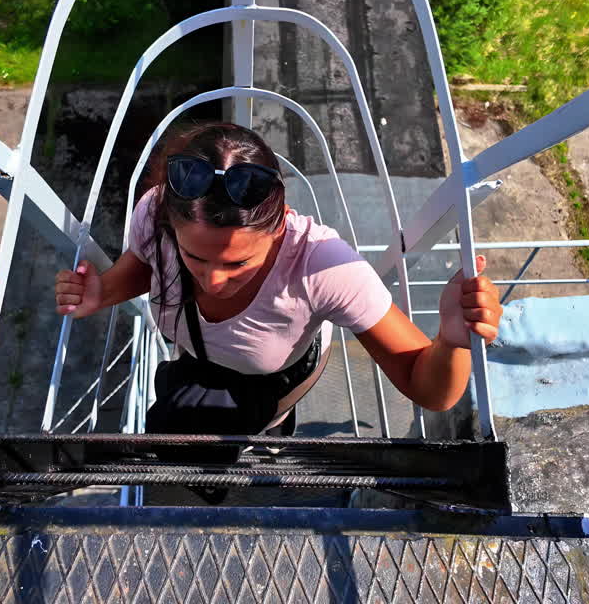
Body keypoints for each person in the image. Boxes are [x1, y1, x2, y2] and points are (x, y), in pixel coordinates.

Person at [54, 121, 502, 443]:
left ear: (281, 225)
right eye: (195, 256)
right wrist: (105, 290)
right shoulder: (155, 211)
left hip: (274, 377)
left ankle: (272, 430)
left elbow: (429, 390)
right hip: (198, 351)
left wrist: (452, 340)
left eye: (239, 264)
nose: (212, 280)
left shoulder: (323, 267)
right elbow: (145, 259)